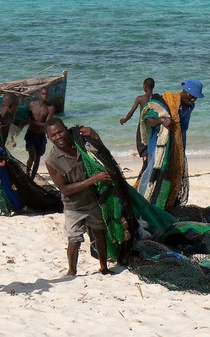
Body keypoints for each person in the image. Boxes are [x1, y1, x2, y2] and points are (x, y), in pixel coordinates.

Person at [44, 118, 115, 276]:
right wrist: (93, 180)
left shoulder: (80, 141)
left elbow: (101, 152)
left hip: (93, 200)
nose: (58, 137)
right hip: (74, 205)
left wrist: (95, 135)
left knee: (99, 233)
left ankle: (103, 267)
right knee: (74, 240)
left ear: (66, 129)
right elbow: (64, 189)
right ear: (48, 138)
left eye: (60, 132)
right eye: (53, 135)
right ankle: (72, 271)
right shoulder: (52, 160)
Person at [135, 78, 203, 210]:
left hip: (176, 149)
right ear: (186, 91)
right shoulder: (166, 101)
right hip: (158, 148)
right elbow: (147, 119)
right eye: (192, 96)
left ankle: (163, 207)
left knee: (168, 179)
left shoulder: (190, 106)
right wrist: (161, 120)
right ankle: (144, 206)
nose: (193, 100)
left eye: (196, 98)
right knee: (151, 179)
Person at [120, 77, 155, 165]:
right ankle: (151, 163)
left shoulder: (140, 98)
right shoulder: (156, 98)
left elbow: (131, 112)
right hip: (153, 125)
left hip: (143, 126)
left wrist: (124, 120)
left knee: (142, 145)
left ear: (145, 86)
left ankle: (145, 165)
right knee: (151, 144)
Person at [25, 86, 55, 179]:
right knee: (32, 156)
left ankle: (32, 178)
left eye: (46, 94)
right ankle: (27, 174)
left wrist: (32, 122)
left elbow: (47, 124)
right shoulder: (32, 105)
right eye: (43, 94)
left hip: (41, 135)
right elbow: (26, 117)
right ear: (39, 95)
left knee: (37, 158)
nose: (45, 96)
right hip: (31, 133)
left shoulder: (50, 108)